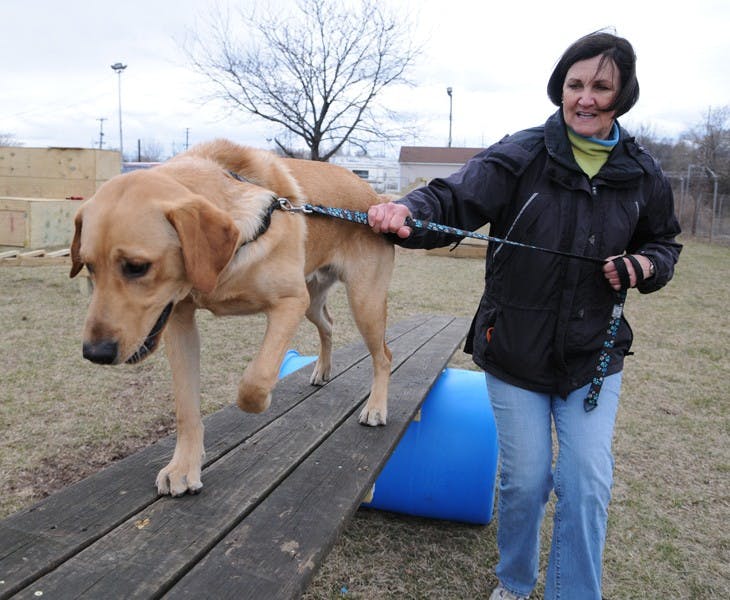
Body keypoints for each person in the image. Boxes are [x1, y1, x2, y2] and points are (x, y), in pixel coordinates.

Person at [368, 30, 682, 600]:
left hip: (593, 356)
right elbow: (454, 196)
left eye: (601, 86)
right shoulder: (522, 153)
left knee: (586, 482)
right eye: (575, 84)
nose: (585, 98)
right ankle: (514, 584)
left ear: (623, 94)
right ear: (560, 88)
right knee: (526, 481)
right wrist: (408, 210)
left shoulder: (643, 172)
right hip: (513, 347)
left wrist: (644, 265)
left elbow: (665, 244)